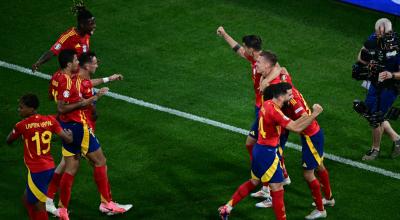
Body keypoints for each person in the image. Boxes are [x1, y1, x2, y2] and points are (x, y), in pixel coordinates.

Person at [218, 83, 323, 220]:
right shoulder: (276, 112)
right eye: (289, 95)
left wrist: (303, 115)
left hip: (259, 150)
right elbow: (296, 128)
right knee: (278, 189)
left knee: (254, 181)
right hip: (268, 154)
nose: (291, 98)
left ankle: (228, 207)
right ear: (281, 96)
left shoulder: (267, 104)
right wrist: (314, 113)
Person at [256, 52, 335, 218]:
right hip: (312, 134)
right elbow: (282, 68)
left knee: (308, 173)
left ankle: (321, 210)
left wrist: (314, 113)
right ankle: (328, 198)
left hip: (311, 136)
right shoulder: (286, 82)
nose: (288, 98)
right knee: (320, 166)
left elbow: (300, 125)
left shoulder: (294, 103)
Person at [216, 27, 290, 203]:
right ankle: (280, 176)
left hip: (269, 110)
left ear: (251, 48)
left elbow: (280, 69)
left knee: (263, 146)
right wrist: (225, 34)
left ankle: (268, 188)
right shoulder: (255, 57)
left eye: (245, 46)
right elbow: (238, 50)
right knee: (254, 144)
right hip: (261, 108)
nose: (244, 49)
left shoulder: (266, 61)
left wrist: (265, 82)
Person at [45, 52, 124, 216]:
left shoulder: (62, 76)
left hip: (66, 126)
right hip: (78, 126)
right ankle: (107, 203)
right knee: (100, 161)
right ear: (69, 64)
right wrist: (93, 99)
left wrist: (108, 79)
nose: (77, 62)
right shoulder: (67, 81)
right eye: (75, 60)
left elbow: (84, 84)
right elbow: (63, 106)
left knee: (69, 167)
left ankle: (56, 204)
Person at [5, 94, 73, 220]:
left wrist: (21, 135)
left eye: (21, 107)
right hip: (48, 167)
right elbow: (67, 139)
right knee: (27, 199)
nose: (19, 109)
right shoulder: (50, 120)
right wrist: (71, 136)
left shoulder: (22, 125)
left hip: (38, 171)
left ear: (31, 109)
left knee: (39, 204)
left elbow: (8, 140)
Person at [357, 18, 400, 160]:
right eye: (378, 33)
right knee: (369, 112)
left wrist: (391, 74)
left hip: (392, 86)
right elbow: (361, 56)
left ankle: (375, 150)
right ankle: (396, 138)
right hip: (376, 82)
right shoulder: (374, 38)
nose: (379, 36)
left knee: (375, 116)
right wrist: (369, 64)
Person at [32, 4, 96, 72]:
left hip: (82, 70)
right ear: (82, 25)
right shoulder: (68, 36)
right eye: (91, 24)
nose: (94, 26)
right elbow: (52, 51)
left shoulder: (87, 32)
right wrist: (38, 63)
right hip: (72, 74)